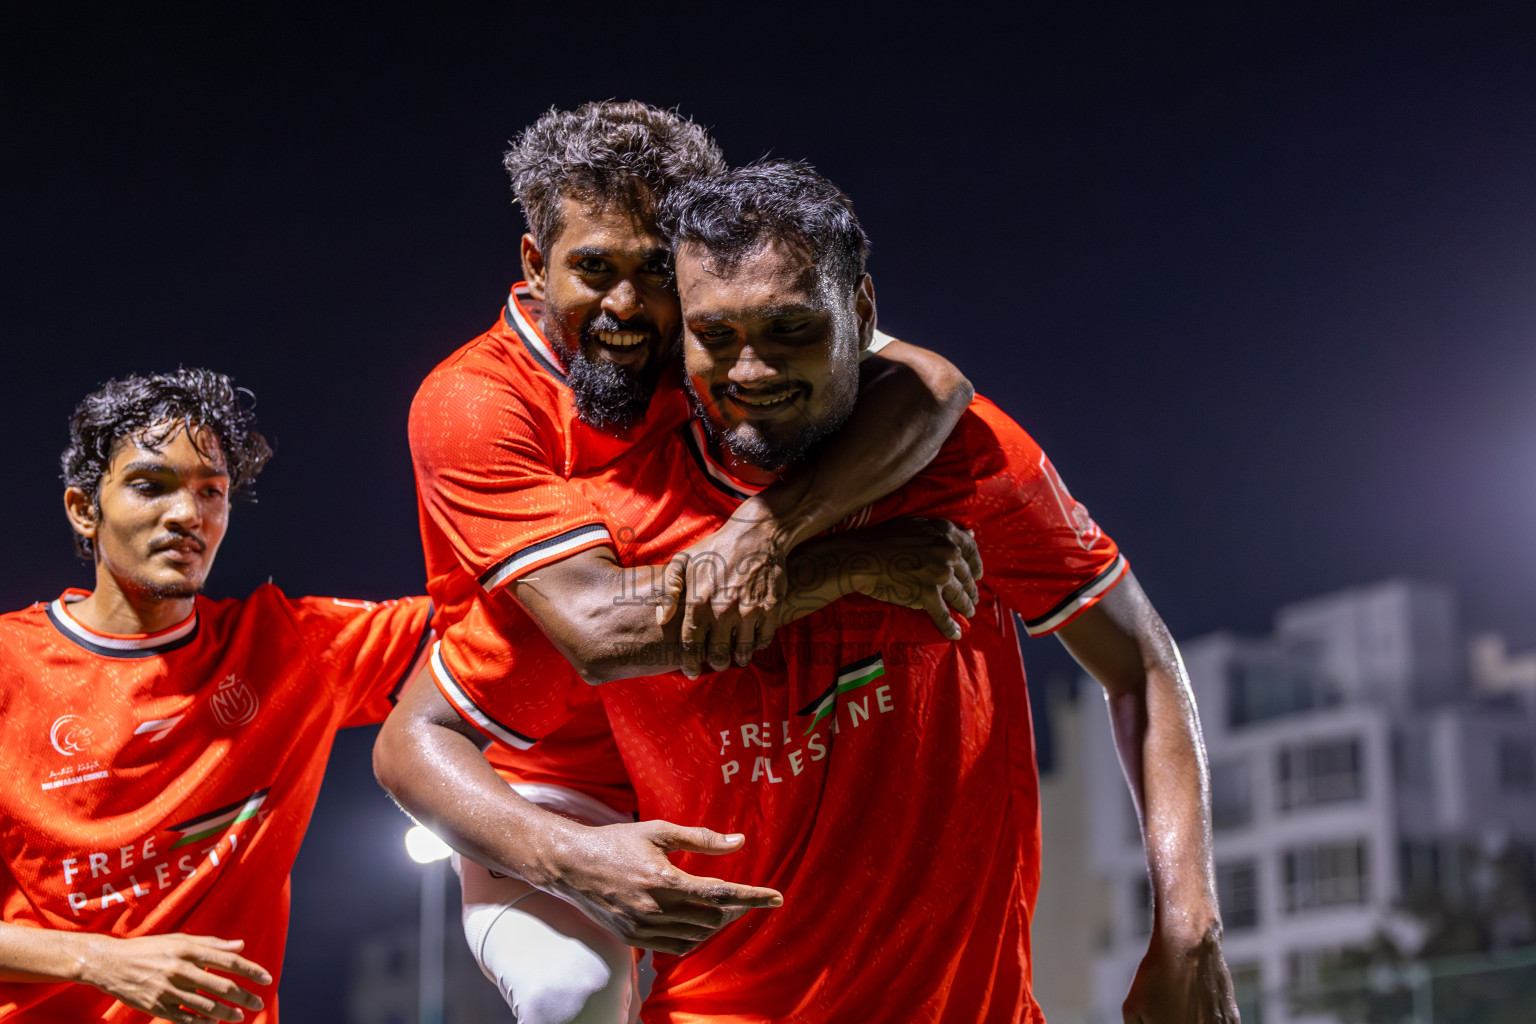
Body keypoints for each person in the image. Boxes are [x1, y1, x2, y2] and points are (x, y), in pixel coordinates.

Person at [380, 161, 1241, 1022]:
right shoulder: (622, 529)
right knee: (569, 992)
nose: (751, 369)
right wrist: (568, 856)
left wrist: (1189, 927)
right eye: (716, 335)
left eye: (790, 328)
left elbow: (1141, 662)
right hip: (703, 984)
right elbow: (429, 729)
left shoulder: (966, 461)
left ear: (862, 314)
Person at [401, 100, 976, 1023]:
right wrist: (846, 564)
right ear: (532, 263)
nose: (625, 306)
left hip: (711, 739)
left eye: (654, 269)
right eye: (593, 268)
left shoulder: (716, 337)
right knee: (573, 995)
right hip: (562, 774)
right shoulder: (474, 401)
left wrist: (763, 530)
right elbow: (596, 628)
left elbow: (932, 384)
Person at [0, 369, 432, 1024]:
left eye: (212, 492)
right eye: (151, 485)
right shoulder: (8, 665)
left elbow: (499, 619)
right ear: (85, 509)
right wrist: (100, 960)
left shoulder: (290, 649)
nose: (188, 515)